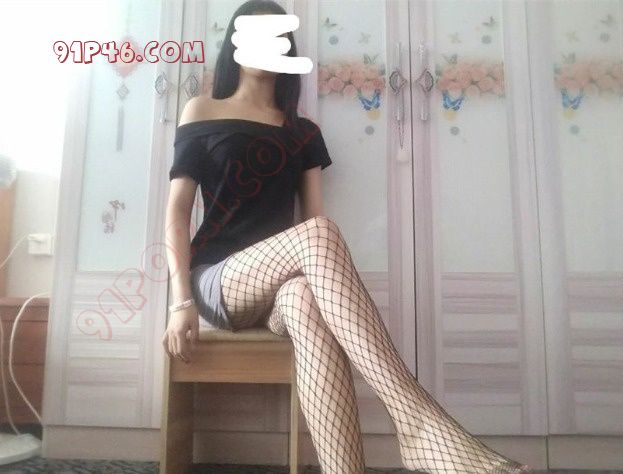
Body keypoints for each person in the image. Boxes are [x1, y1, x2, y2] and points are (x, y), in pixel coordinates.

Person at [163, 1, 533, 473]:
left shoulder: (303, 132)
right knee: (317, 234)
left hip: (282, 285)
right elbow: (177, 213)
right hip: (219, 277)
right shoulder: (201, 110)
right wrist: (180, 302)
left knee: (304, 297)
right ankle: (417, 423)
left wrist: (314, 271)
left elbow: (315, 224)